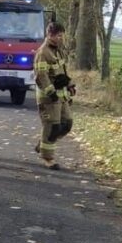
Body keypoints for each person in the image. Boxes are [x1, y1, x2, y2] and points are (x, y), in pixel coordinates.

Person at [34, 22, 74, 169]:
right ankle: (48, 158)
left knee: (67, 124)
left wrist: (69, 85)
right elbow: (41, 76)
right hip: (49, 98)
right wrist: (51, 92)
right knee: (52, 127)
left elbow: (62, 72)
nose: (61, 38)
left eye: (62, 35)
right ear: (50, 35)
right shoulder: (43, 53)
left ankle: (43, 144)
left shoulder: (58, 50)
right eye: (59, 36)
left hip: (61, 96)